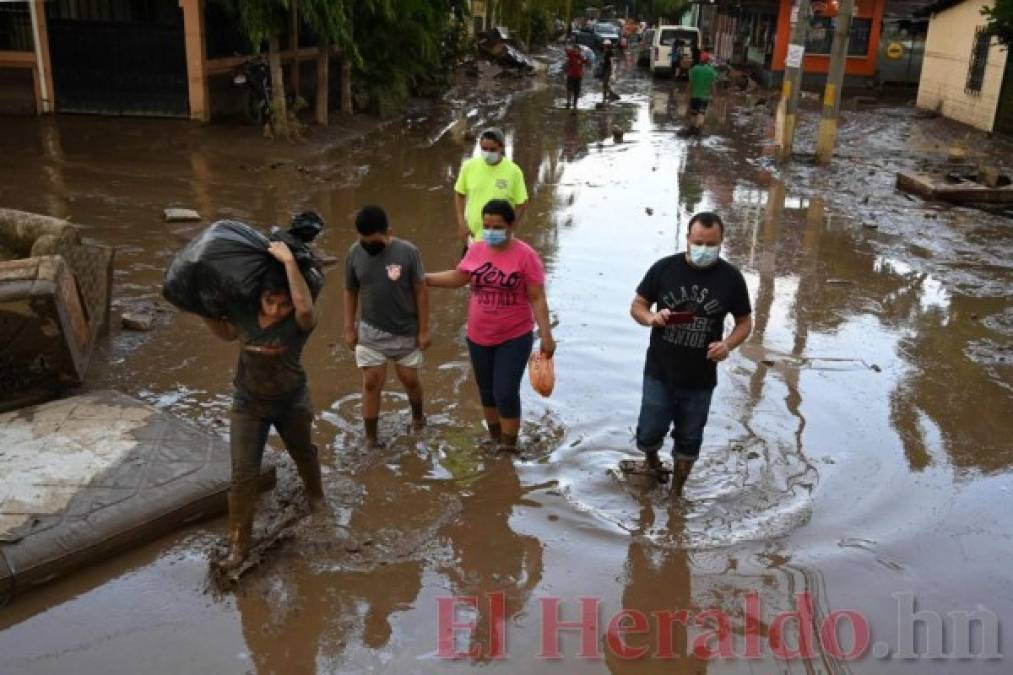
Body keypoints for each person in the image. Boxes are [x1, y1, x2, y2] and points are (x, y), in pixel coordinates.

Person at [202, 240, 325, 571]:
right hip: (248, 404)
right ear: (259, 295)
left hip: (291, 400)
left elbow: (305, 308)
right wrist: (205, 311)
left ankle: (317, 499)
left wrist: (289, 263)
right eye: (271, 302)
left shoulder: (299, 322)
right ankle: (239, 546)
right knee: (243, 476)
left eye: (284, 304)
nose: (276, 311)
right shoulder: (242, 313)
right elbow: (225, 333)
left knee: (303, 453)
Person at [629, 212, 752, 497]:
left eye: (711, 244)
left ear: (721, 242)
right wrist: (651, 318)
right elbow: (637, 305)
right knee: (648, 433)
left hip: (700, 378)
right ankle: (652, 463)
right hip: (659, 372)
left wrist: (728, 345)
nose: (704, 249)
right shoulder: (663, 269)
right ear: (687, 239)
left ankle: (676, 494)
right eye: (698, 242)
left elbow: (745, 323)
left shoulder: (731, 278)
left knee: (690, 439)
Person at [426, 199, 556, 453]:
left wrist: (547, 336)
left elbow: (537, 297)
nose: (490, 231)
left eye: (497, 227)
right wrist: (425, 279)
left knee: (505, 392)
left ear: (510, 225)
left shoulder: (526, 256)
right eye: (486, 226)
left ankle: (508, 448)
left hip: (514, 335)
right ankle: (494, 439)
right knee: (487, 392)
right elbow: (459, 277)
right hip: (478, 334)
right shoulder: (476, 250)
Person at [343, 206, 430, 448]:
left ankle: (418, 419)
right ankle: (371, 439)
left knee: (410, 379)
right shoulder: (354, 253)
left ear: (389, 232)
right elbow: (350, 290)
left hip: (406, 330)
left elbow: (421, 290)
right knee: (371, 381)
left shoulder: (408, 252)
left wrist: (424, 329)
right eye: (363, 241)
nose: (368, 246)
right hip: (371, 330)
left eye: (374, 241)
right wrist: (349, 328)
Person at [454, 128, 528, 254]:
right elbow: (459, 193)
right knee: (467, 272)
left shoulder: (514, 171)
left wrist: (510, 229)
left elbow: (522, 203)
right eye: (484, 149)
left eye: (492, 149)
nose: (488, 153)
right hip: (472, 238)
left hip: (500, 241)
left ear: (501, 148)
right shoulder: (469, 167)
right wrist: (462, 223)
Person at [686, 52, 717, 134]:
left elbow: (690, 84)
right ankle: (697, 128)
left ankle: (692, 128)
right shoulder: (711, 71)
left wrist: (686, 95)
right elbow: (713, 86)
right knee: (701, 113)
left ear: (700, 60)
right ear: (707, 61)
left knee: (693, 113)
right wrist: (715, 97)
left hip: (694, 96)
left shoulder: (694, 69)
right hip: (704, 97)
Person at [564, 38, 588, 110]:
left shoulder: (581, 57)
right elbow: (566, 50)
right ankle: (568, 102)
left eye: (577, 49)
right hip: (571, 75)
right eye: (575, 49)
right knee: (569, 89)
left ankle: (575, 104)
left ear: (579, 50)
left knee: (577, 91)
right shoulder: (571, 55)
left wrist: (583, 59)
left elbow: (586, 62)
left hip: (578, 76)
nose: (576, 50)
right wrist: (567, 43)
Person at [600, 39, 615, 103]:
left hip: (608, 69)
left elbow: (612, 61)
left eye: (605, 45)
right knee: (604, 83)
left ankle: (607, 95)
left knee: (605, 83)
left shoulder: (610, 52)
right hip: (604, 68)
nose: (604, 46)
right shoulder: (605, 51)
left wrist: (612, 71)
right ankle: (606, 95)